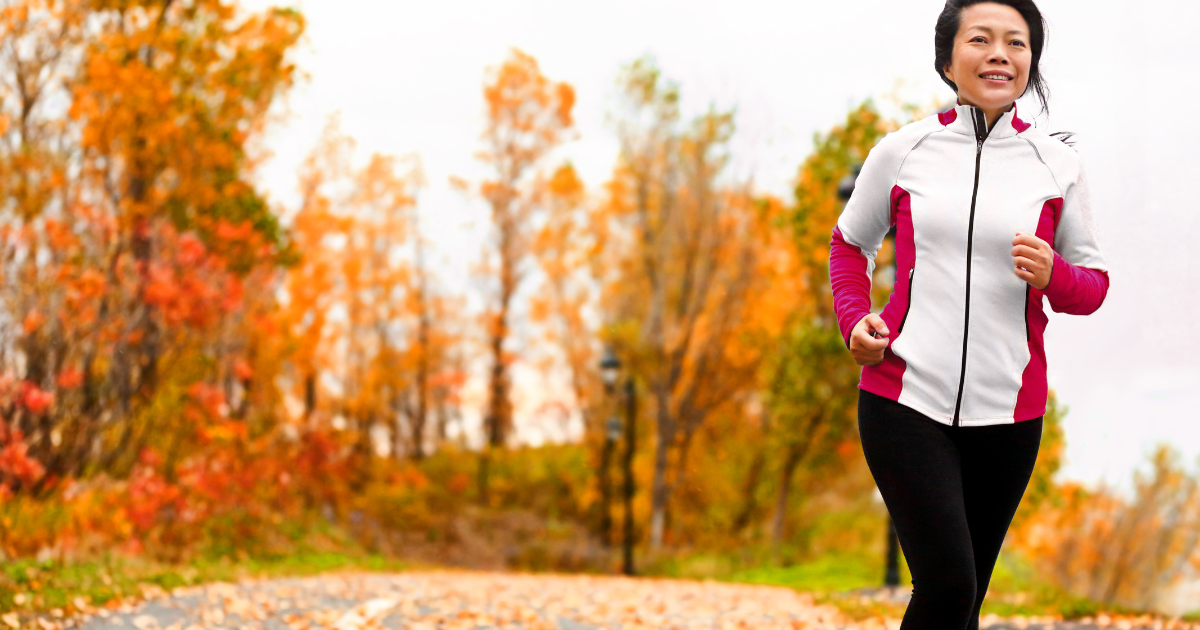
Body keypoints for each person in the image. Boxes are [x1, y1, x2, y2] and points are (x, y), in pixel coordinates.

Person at [828, 0, 1110, 627]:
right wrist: (855, 321)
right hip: (904, 395)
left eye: (1016, 43)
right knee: (948, 582)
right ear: (948, 58)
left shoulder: (1055, 166)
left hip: (1010, 409)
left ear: (1030, 61)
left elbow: (1092, 286)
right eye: (980, 39)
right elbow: (849, 244)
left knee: (966, 597)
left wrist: (1053, 274)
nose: (999, 55)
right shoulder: (905, 149)